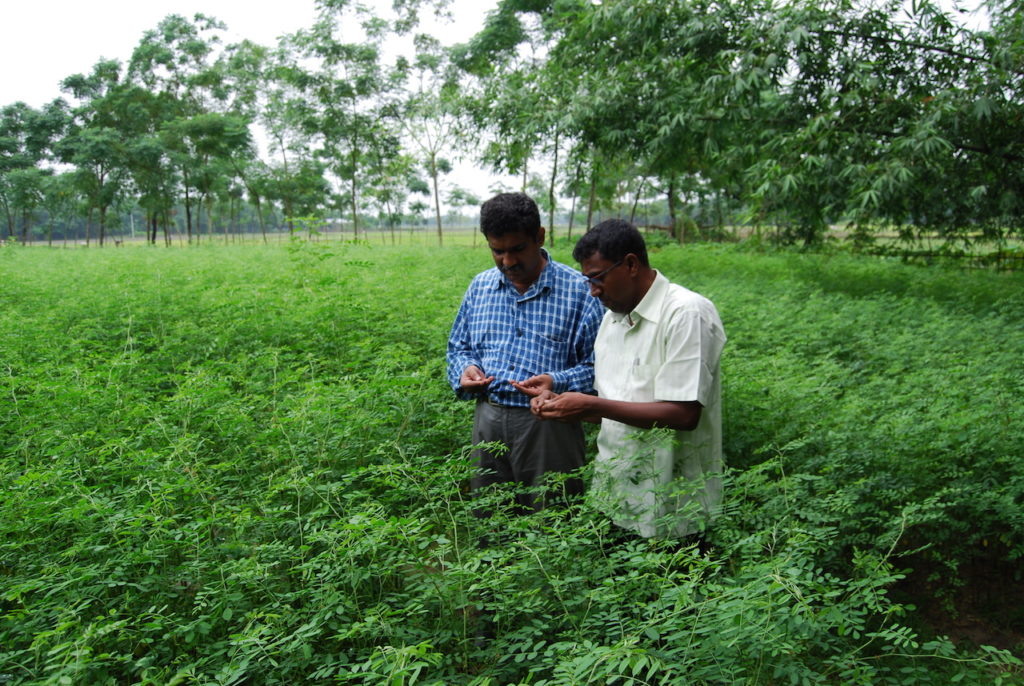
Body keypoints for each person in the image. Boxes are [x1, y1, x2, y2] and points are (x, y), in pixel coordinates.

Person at [527, 219, 726, 541]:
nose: (593, 291)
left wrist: (591, 403)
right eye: (587, 280)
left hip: (676, 506)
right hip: (615, 498)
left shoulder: (686, 314)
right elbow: (616, 408)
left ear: (631, 264)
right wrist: (563, 406)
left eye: (597, 278)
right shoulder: (612, 320)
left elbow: (683, 414)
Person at [446, 192, 604, 516]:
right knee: (490, 519)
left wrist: (556, 382)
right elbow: (458, 347)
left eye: (517, 249)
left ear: (540, 237)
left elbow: (599, 365)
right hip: (487, 418)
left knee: (553, 519)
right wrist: (466, 369)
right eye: (497, 251)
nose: (508, 262)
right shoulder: (480, 287)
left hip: (550, 424)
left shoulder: (580, 291)